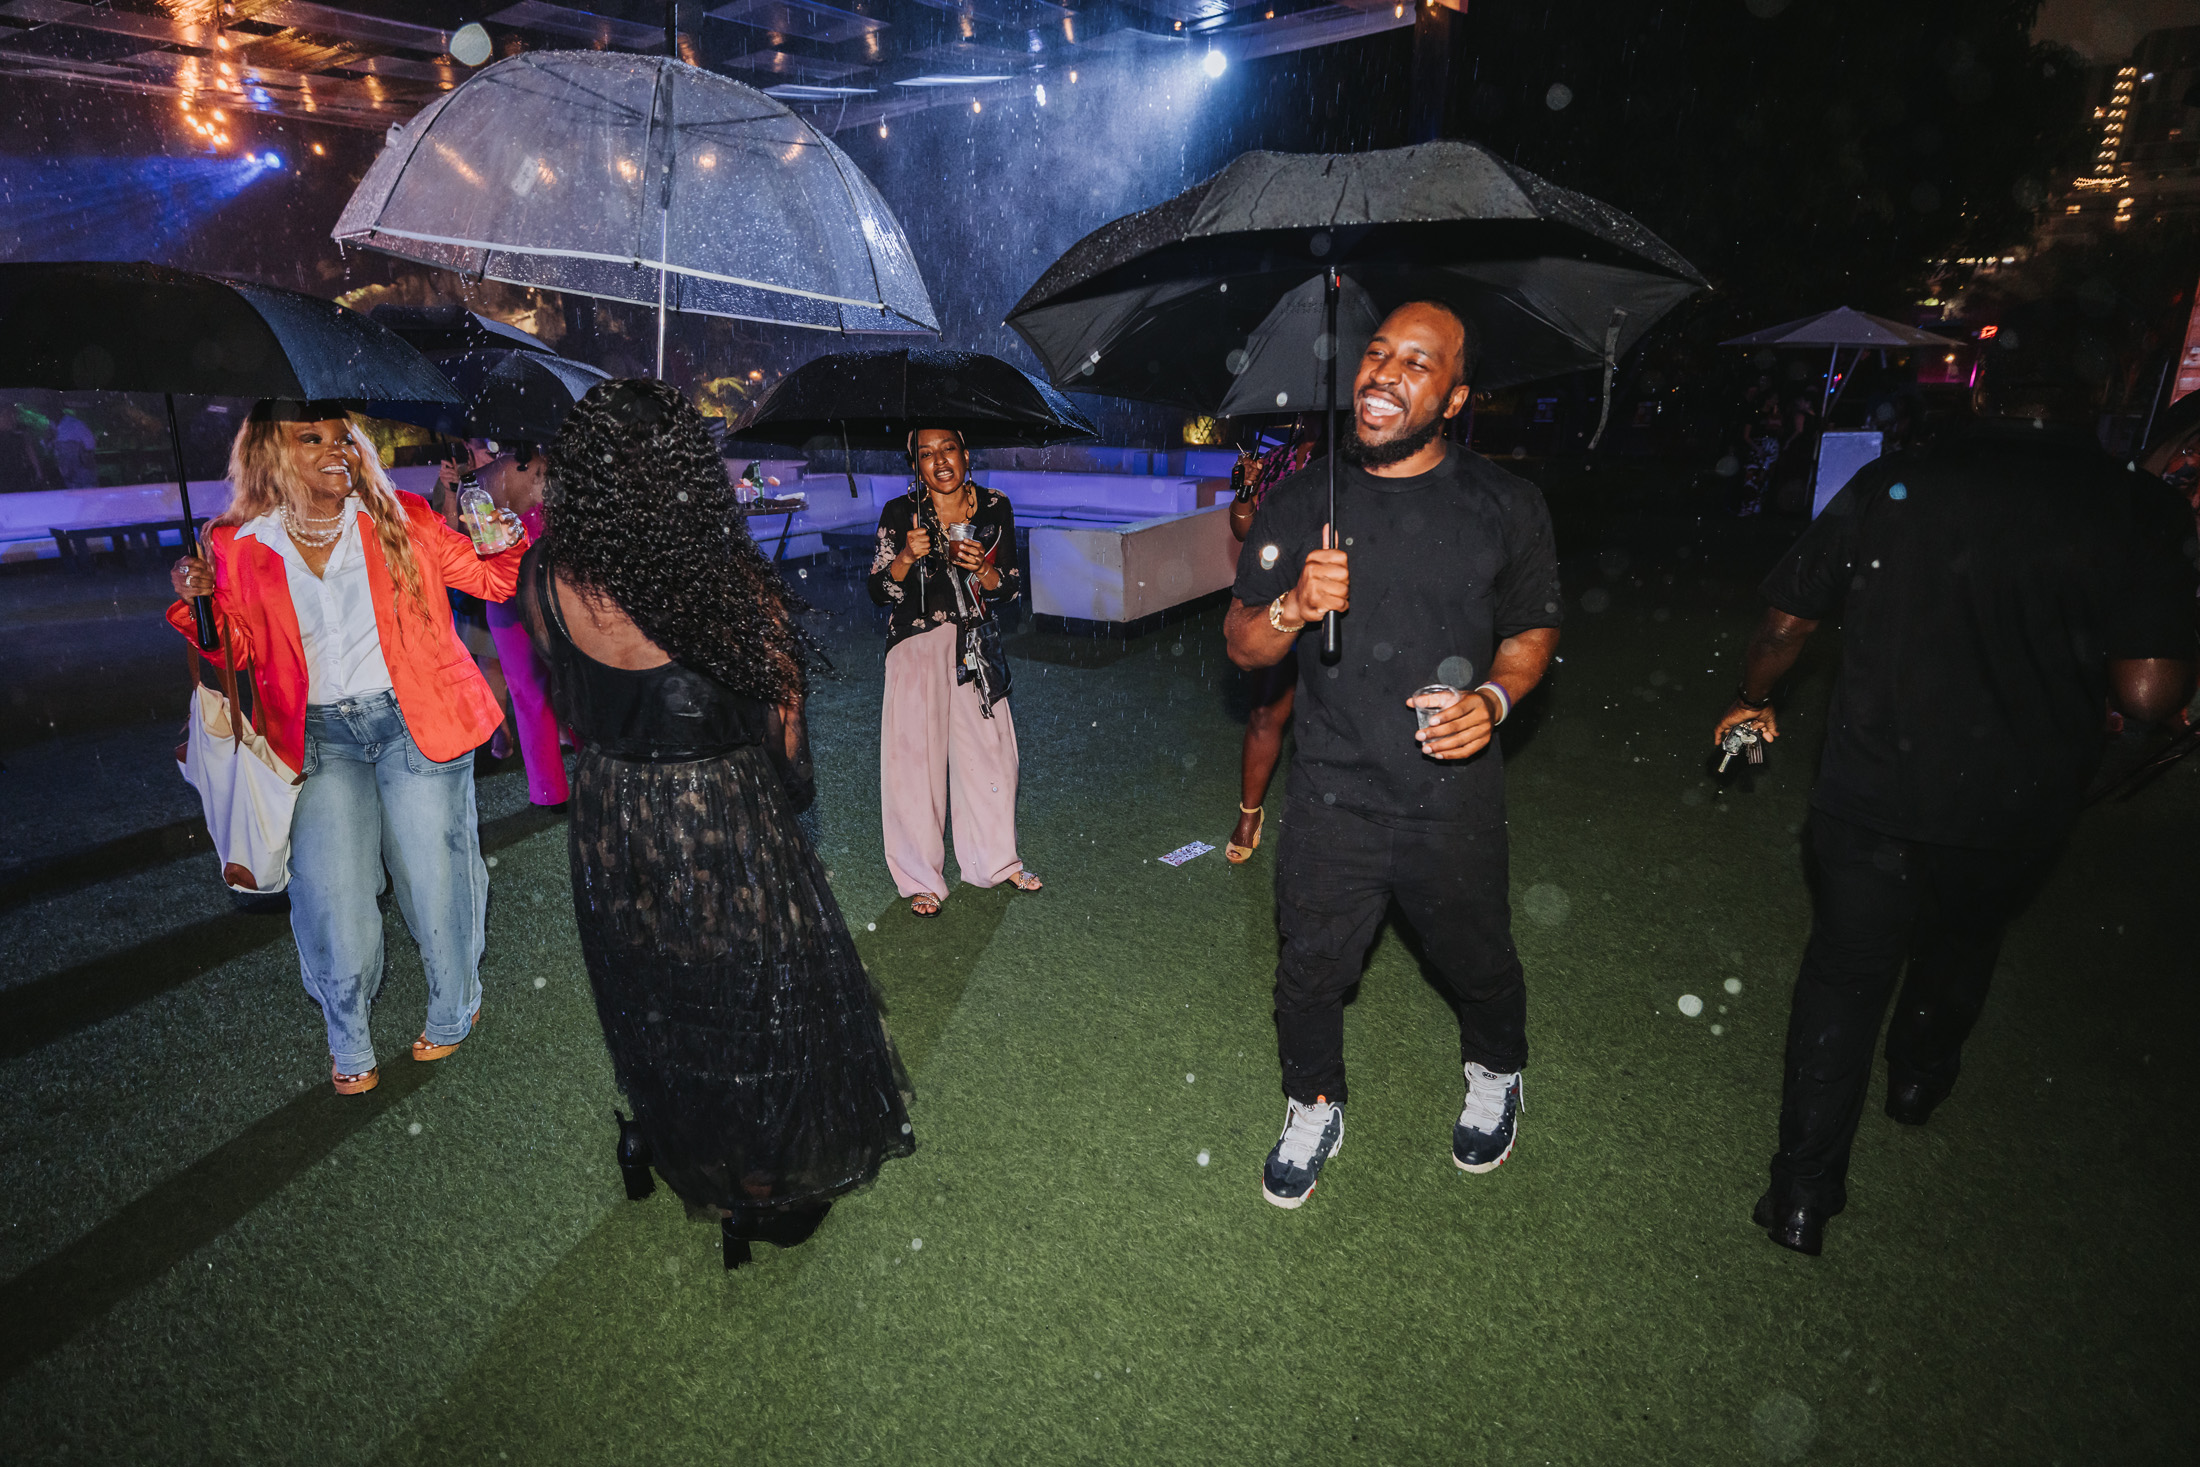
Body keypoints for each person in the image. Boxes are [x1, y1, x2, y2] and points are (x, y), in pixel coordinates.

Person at [1713, 325, 2198, 1257]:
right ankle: (1918, 1079)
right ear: (2101, 397)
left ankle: (1803, 1194)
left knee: (1845, 974)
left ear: (1980, 392)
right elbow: (2148, 693)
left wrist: (1752, 695)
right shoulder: (2138, 507)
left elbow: (1785, 620)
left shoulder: (1897, 483)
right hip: (2019, 794)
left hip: (1875, 783)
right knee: (1966, 935)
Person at [519, 380, 913, 1267]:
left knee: (655, 996)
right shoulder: (730, 588)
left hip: (612, 820)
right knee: (753, 1006)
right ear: (689, 476)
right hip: (718, 820)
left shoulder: (541, 577)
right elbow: (788, 754)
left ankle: (670, 1140)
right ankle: (757, 1188)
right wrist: (775, 787)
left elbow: (571, 695)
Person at [1225, 301, 1564, 1210]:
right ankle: (1314, 1102)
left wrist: (1493, 699)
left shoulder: (1505, 504)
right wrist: (1294, 606)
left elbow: (1532, 630)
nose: (1384, 373)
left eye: (1418, 362)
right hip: (1333, 791)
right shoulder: (1305, 500)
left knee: (1477, 959)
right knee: (1308, 969)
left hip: (1452, 792)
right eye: (1377, 353)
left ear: (1454, 398)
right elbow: (1243, 644)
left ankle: (1496, 1070)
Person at [166, 401, 527, 1095]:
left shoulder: (401, 518)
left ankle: (455, 1004)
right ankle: (348, 1035)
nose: (338, 450)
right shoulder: (236, 542)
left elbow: (491, 581)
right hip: (316, 735)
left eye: (345, 439)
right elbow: (235, 652)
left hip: (414, 719)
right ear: (272, 451)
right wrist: (198, 602)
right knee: (332, 893)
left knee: (436, 875)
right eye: (314, 438)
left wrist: (500, 539)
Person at [866, 426, 1039, 918]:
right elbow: (878, 590)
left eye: (948, 449)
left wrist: (982, 569)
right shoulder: (901, 513)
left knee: (992, 755)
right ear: (915, 464)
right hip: (915, 645)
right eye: (926, 454)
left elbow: (1011, 586)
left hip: (974, 645)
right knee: (913, 766)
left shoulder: (994, 506)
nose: (939, 462)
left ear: (965, 453)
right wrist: (906, 557)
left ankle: (995, 862)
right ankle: (921, 878)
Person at [439, 440, 569, 807]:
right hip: (534, 592)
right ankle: (557, 784)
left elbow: (466, 539)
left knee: (534, 693)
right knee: (556, 686)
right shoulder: (542, 467)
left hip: (520, 594)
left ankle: (549, 790)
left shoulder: (481, 481)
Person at [1225, 421, 1316, 863]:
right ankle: (1250, 813)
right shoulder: (1278, 459)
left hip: (1336, 601)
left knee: (1331, 719)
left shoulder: (1352, 462)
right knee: (1265, 713)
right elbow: (1245, 533)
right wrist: (1247, 490)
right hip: (1277, 602)